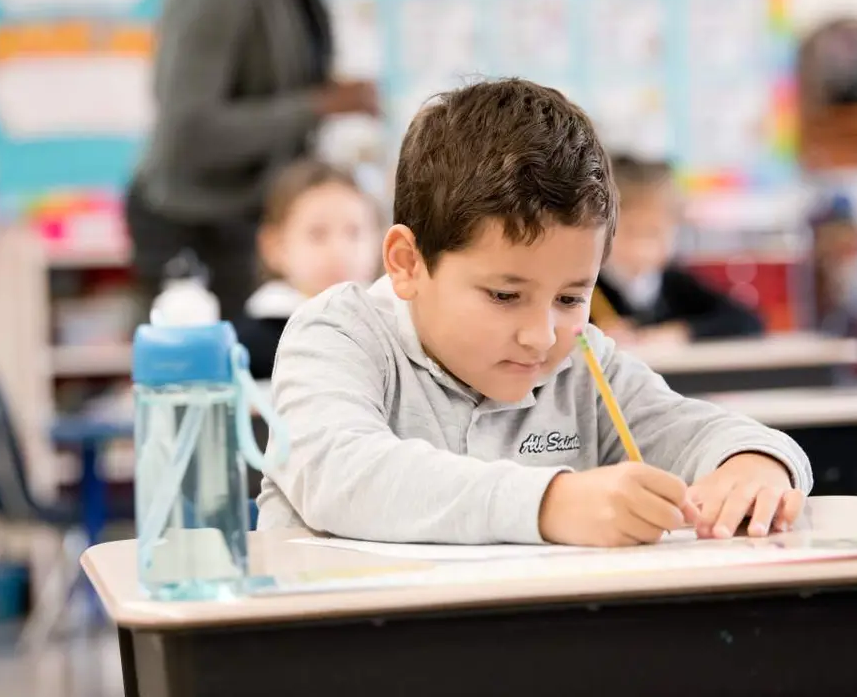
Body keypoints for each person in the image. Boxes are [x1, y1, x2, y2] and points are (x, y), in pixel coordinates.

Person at [257, 79, 812, 547]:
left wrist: (754, 464)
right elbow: (339, 473)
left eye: (571, 298)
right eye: (504, 295)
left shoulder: (582, 363)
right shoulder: (338, 333)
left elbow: (701, 432)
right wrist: (550, 503)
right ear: (407, 262)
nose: (540, 336)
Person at [125, 0, 378, 322]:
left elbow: (268, 82)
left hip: (249, 212)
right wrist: (316, 105)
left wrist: (327, 96)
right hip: (195, 220)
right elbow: (189, 129)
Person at [591, 154, 764, 346]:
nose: (642, 247)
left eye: (654, 232)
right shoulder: (587, 286)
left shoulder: (676, 283)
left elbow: (748, 322)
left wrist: (681, 332)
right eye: (630, 230)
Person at [235, 158, 382, 381]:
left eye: (354, 232)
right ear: (274, 246)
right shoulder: (249, 347)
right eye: (317, 234)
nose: (339, 251)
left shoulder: (395, 327)